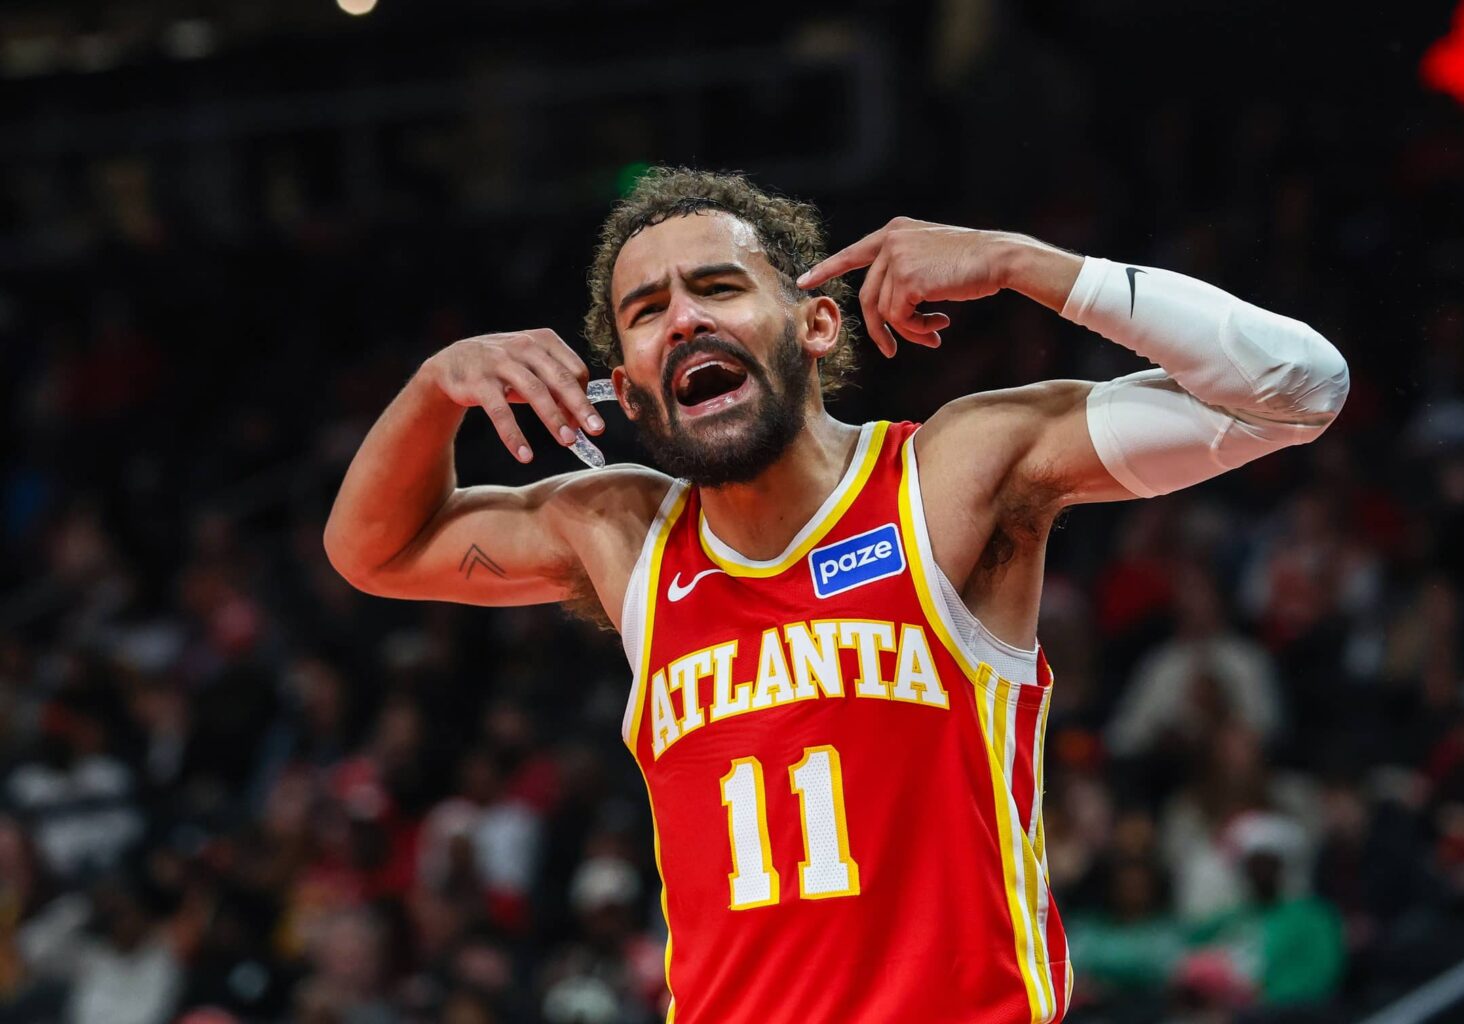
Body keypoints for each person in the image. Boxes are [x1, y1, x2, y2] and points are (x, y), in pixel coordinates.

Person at [324, 167, 1349, 1023]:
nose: (682, 319)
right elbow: (372, 551)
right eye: (647, 311)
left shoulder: (951, 476)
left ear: (816, 323)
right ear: (626, 389)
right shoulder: (623, 534)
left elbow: (1302, 387)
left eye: (718, 287)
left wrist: (1021, 263)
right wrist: (433, 389)